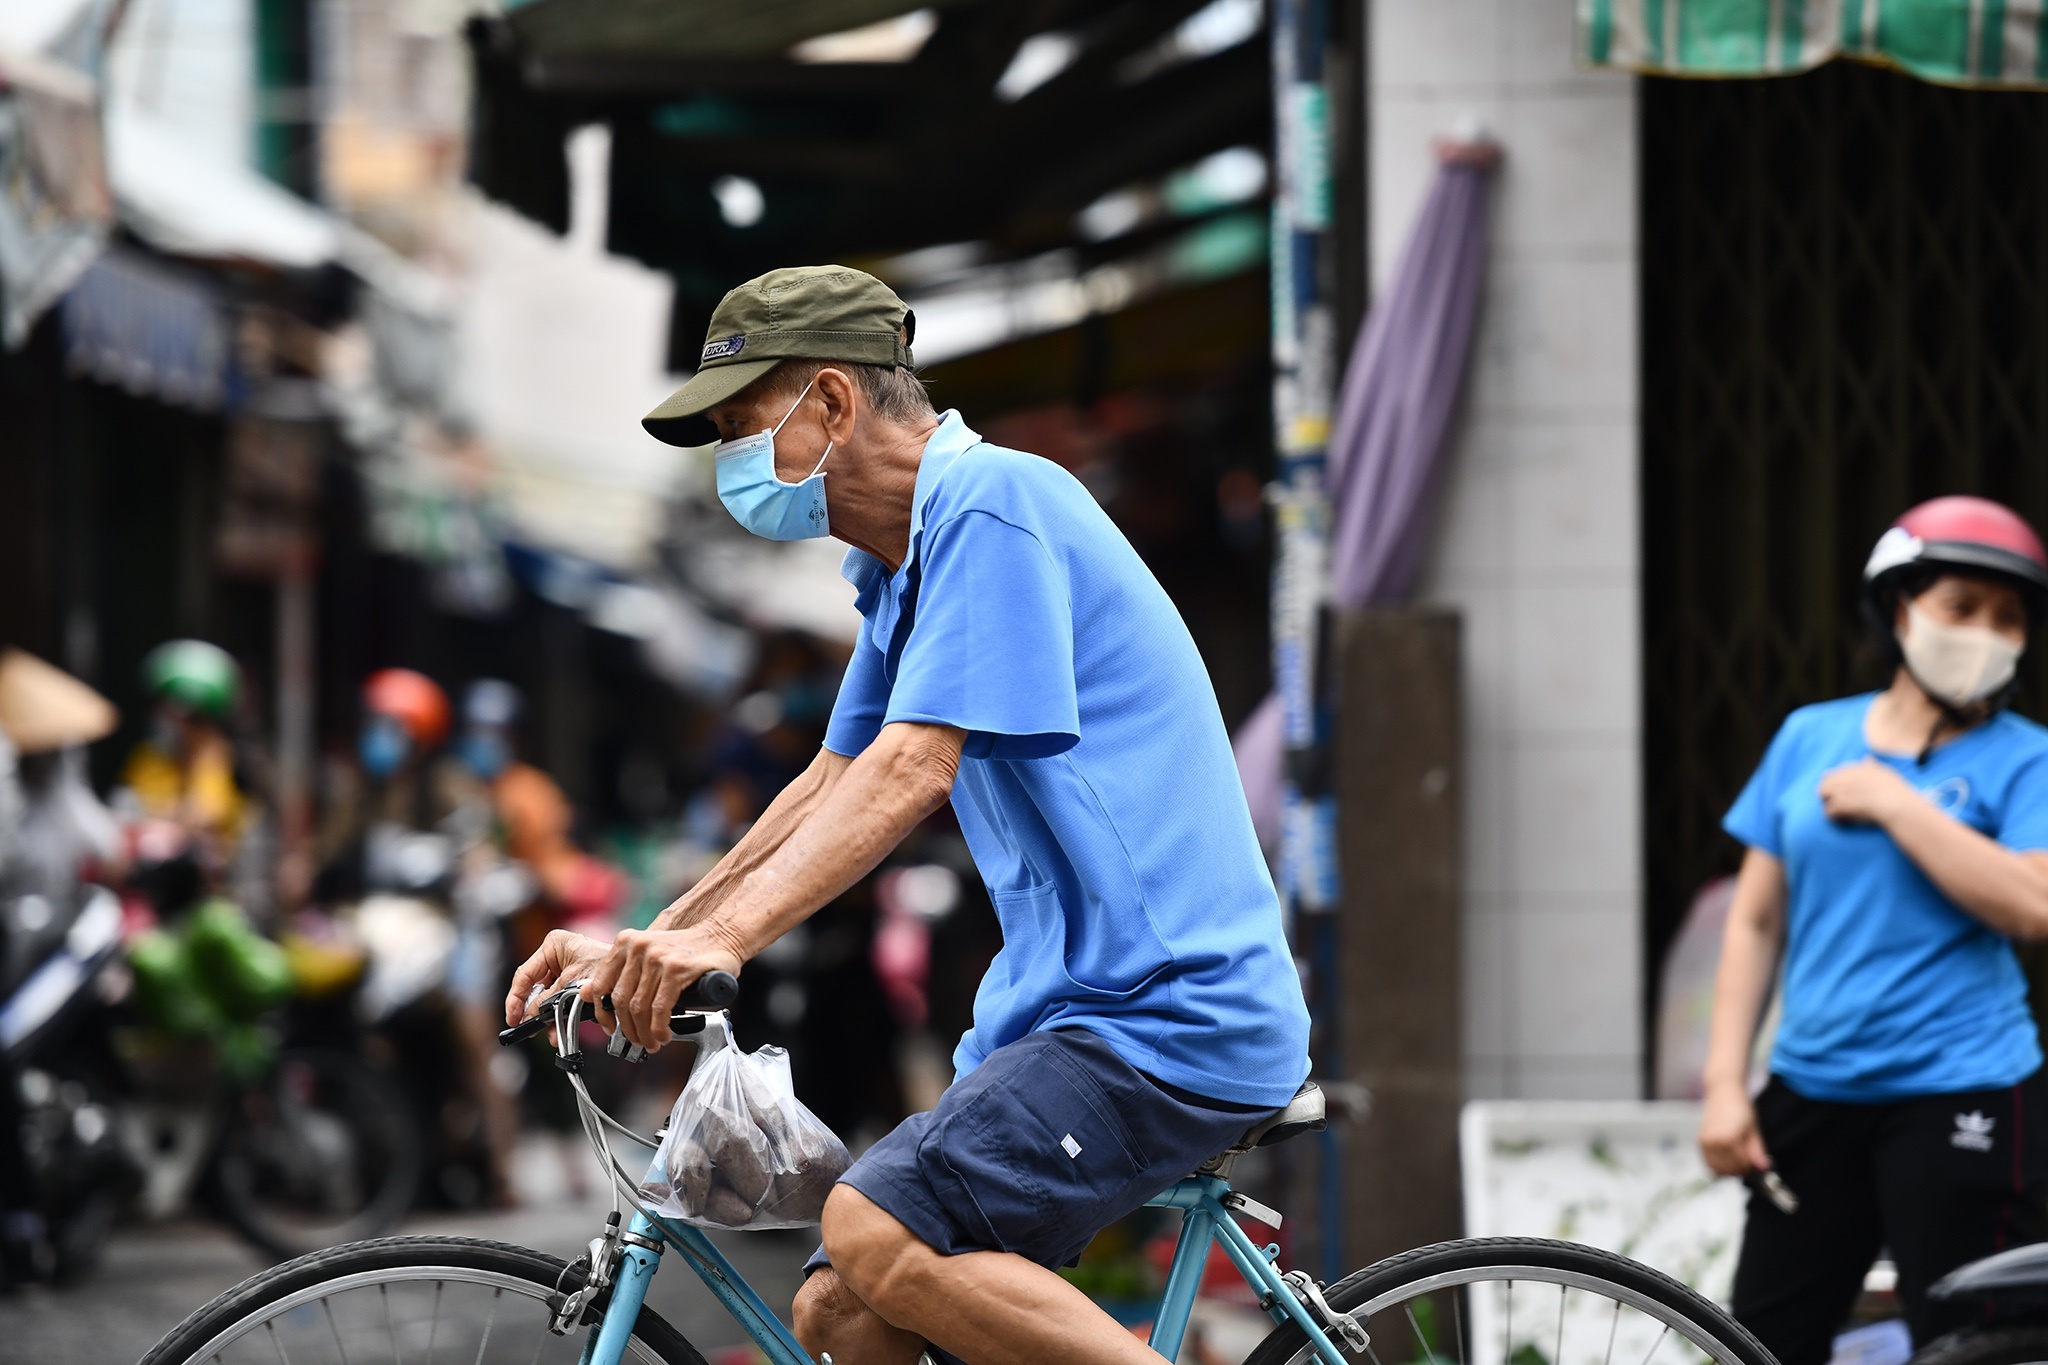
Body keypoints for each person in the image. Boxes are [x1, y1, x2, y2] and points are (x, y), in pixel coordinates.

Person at [505, 265, 1310, 1365]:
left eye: (743, 427)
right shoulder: (901, 565)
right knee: (838, 1312)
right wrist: (656, 933)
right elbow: (830, 780)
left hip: (1164, 1016)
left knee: (870, 1226)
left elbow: (913, 769)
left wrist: (728, 940)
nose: (733, 465)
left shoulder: (994, 506)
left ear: (831, 404)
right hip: (1066, 1017)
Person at [1700, 496, 2048, 1365]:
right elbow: (1754, 918)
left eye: (2009, 617)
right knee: (1762, 1341)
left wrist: (1895, 802)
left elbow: (2031, 905)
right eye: (1962, 608)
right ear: (1900, 610)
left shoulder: (2027, 756)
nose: (1988, 633)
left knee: (1977, 1344)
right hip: (1811, 1090)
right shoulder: (1808, 737)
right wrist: (1723, 1082)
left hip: (1963, 1088)